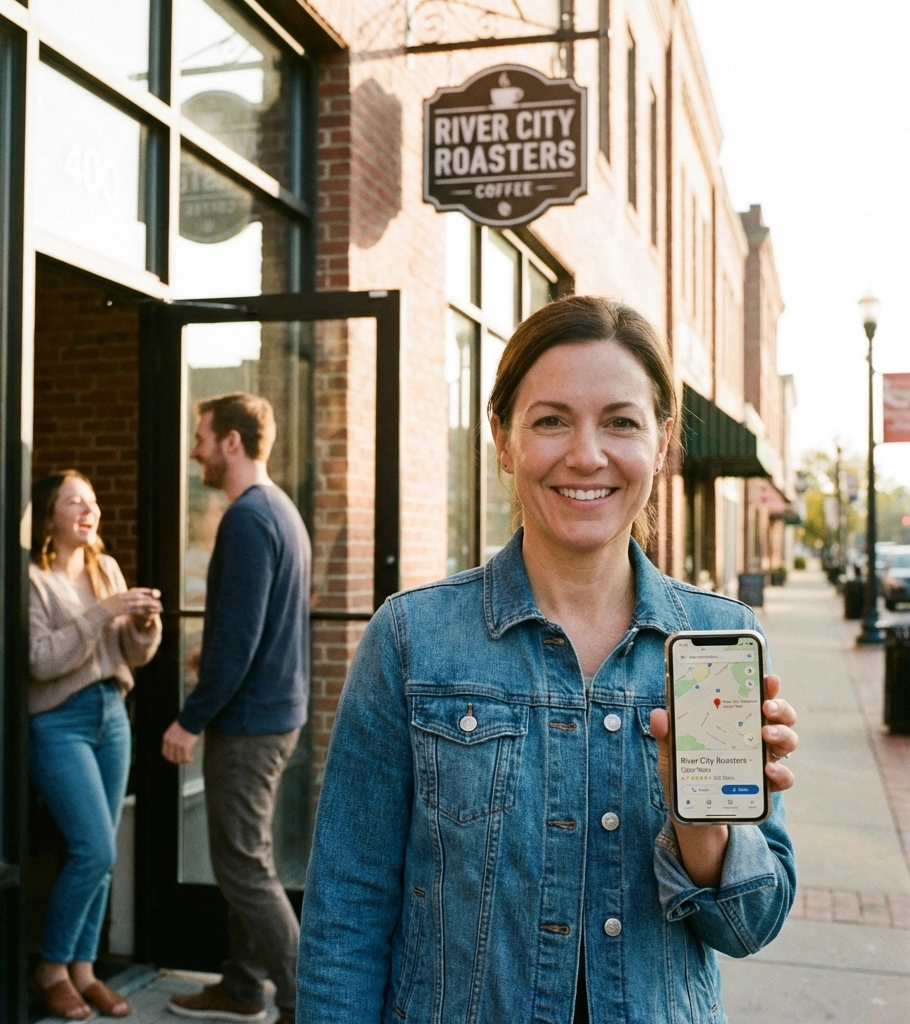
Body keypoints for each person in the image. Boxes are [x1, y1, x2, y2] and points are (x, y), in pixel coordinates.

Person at [296, 296, 800, 1023]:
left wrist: (700, 820)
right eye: (551, 420)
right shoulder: (412, 641)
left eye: (620, 422)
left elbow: (749, 927)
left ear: (660, 443)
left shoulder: (718, 642)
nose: (586, 454)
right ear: (502, 439)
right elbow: (346, 913)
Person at [163, 392, 311, 1024]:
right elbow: (256, 626)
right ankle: (244, 987)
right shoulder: (278, 509)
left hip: (250, 722)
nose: (194, 450)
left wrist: (189, 717)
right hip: (273, 712)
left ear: (230, 441)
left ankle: (307, 1003)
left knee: (243, 867)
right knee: (250, 858)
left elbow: (241, 637)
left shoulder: (249, 518)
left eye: (200, 437)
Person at [29, 470, 162, 1020]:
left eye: (93, 499)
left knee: (103, 853)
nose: (89, 509)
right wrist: (104, 612)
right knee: (95, 849)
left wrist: (143, 626)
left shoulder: (104, 567)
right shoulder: (32, 579)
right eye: (74, 501)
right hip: (59, 721)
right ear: (49, 514)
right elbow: (41, 661)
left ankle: (84, 971)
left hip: (113, 714)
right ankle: (51, 967)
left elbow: (132, 655)